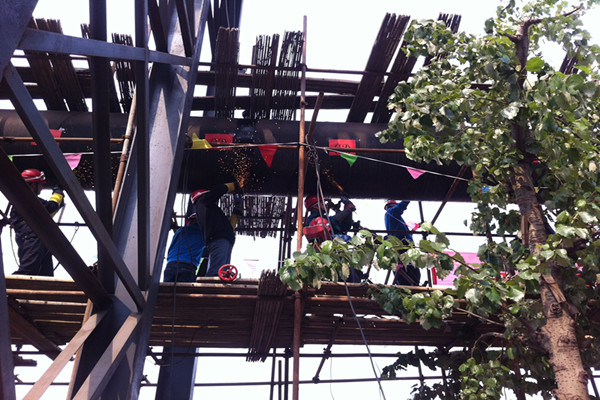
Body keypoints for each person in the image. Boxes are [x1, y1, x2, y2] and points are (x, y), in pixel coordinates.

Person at [9, 169, 64, 276]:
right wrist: (58, 193)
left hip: (31, 233)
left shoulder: (22, 199)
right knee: (28, 270)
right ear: (33, 185)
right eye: (41, 184)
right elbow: (51, 207)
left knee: (44, 273)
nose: (42, 187)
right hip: (32, 233)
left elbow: (45, 214)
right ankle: (8, 285)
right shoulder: (27, 198)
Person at [303, 194, 363, 282]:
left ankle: (353, 281)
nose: (326, 205)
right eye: (323, 203)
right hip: (329, 253)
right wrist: (347, 210)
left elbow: (345, 226)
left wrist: (347, 210)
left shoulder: (324, 218)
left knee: (350, 269)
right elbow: (332, 221)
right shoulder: (314, 219)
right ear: (316, 206)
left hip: (336, 252)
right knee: (347, 267)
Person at [191, 182, 240, 277]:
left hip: (223, 239)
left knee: (222, 271)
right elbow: (217, 191)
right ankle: (211, 284)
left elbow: (228, 228)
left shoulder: (210, 211)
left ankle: (217, 280)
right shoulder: (202, 201)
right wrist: (232, 186)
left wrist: (236, 213)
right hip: (219, 239)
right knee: (216, 272)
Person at [384, 200, 420, 286]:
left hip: (402, 245)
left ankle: (410, 284)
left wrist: (417, 227)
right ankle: (411, 284)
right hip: (402, 246)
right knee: (409, 269)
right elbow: (400, 207)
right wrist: (407, 198)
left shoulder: (395, 219)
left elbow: (404, 233)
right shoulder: (391, 212)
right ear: (392, 205)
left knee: (408, 269)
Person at [163, 213, 205, 283]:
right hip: (188, 266)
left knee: (166, 288)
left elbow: (171, 248)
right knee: (184, 289)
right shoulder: (203, 234)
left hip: (171, 264)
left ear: (189, 221)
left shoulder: (180, 231)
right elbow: (214, 246)